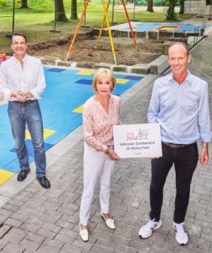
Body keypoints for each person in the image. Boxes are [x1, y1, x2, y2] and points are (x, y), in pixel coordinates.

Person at [138, 42, 212, 245]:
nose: (176, 62)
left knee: (183, 189)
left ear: (188, 58)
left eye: (180, 58)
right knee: (155, 186)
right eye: (172, 58)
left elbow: (203, 117)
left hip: (188, 149)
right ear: (168, 59)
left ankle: (179, 223)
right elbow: (152, 114)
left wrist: (205, 145)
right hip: (162, 147)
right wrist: (152, 140)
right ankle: (154, 219)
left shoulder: (200, 86)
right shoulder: (159, 84)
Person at [0, 33, 50, 189]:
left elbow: (41, 85)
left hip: (32, 105)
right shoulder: (5, 65)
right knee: (18, 142)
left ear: (26, 45)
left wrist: (28, 94)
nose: (19, 45)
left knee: (38, 143)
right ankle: (24, 167)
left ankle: (41, 173)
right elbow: (1, 86)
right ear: (11, 46)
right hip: (14, 107)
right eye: (16, 43)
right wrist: (14, 94)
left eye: (22, 43)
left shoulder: (36, 63)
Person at [78, 68, 121, 242]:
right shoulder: (89, 106)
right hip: (95, 151)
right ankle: (82, 223)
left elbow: (117, 124)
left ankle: (105, 212)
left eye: (107, 82)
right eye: (100, 82)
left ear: (112, 84)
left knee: (106, 184)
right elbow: (88, 136)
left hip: (111, 148)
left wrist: (129, 140)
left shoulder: (117, 101)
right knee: (89, 188)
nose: (104, 86)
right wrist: (106, 149)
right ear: (95, 85)